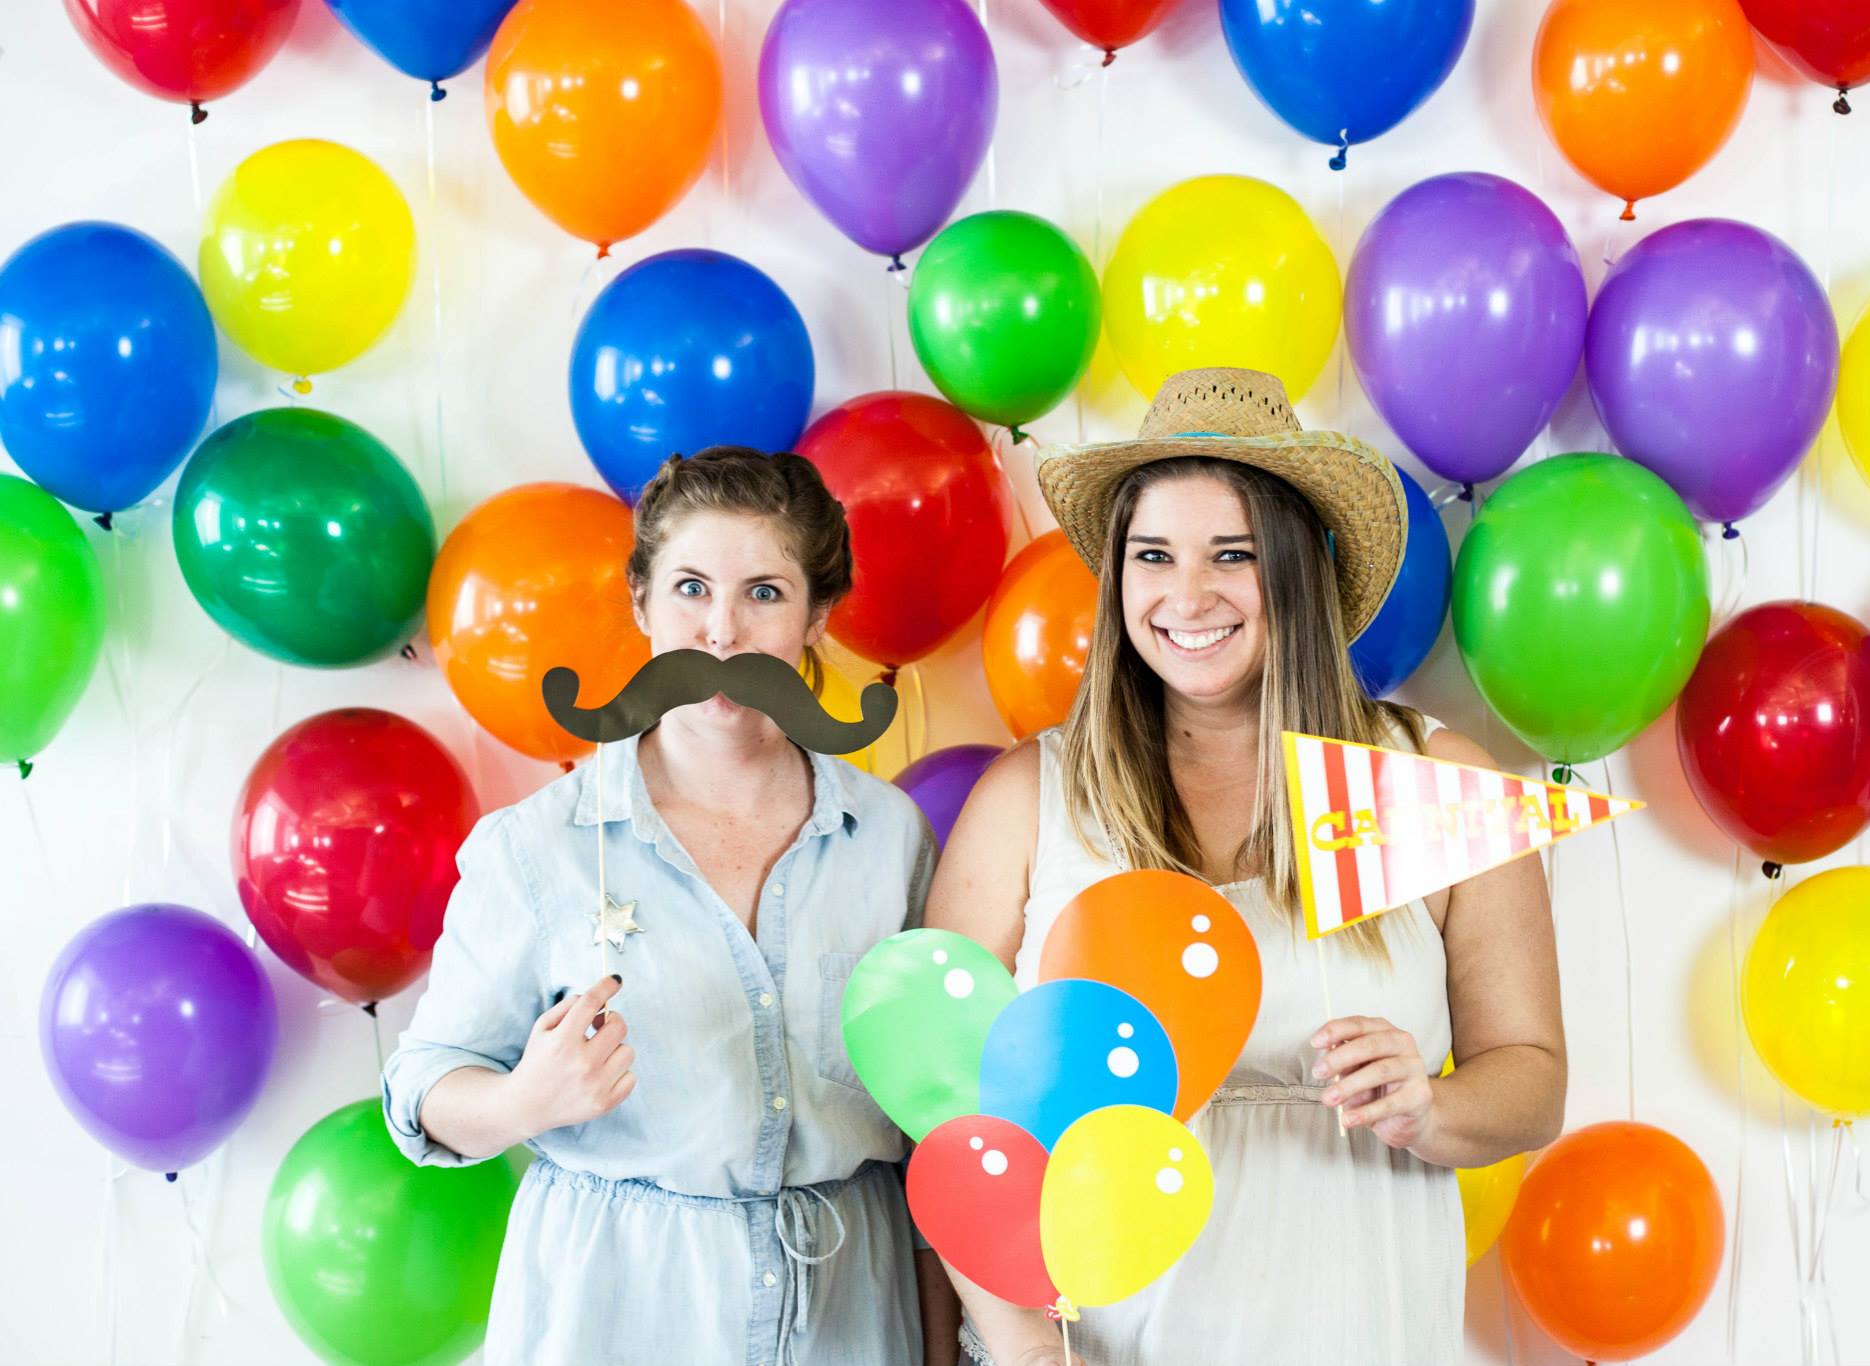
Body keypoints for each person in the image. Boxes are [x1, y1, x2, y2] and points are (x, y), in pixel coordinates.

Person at [928, 369, 1566, 1366]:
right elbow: (942, 1108)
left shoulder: (1431, 778)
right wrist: (1023, 1350)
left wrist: (1428, 1105)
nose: (1188, 595)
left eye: (1232, 554)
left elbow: (1530, 1080)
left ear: (1295, 571)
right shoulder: (1030, 795)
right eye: (1153, 555)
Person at [381, 447, 953, 1366]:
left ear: (818, 616)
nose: (721, 632)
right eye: (691, 588)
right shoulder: (540, 846)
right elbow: (423, 1087)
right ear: (642, 603)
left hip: (851, 1317)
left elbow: (939, 1120)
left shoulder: (889, 837)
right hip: (621, 1313)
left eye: (764, 593)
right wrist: (526, 1099)